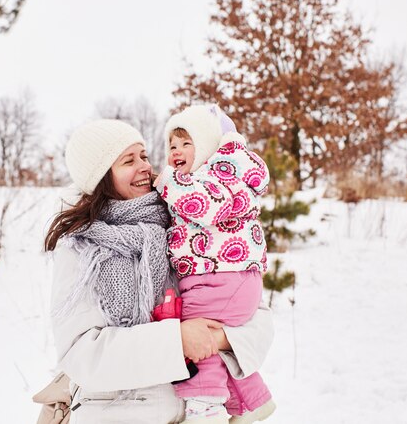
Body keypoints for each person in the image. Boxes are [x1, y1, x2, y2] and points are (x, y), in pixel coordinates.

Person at [44, 119, 274, 424]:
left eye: (143, 156)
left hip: (200, 413)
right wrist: (177, 340)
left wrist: (219, 340)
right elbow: (81, 355)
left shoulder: (185, 222)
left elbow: (257, 318)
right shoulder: (81, 246)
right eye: (129, 161)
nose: (144, 166)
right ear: (100, 177)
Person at [154, 104, 276, 423]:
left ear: (206, 146)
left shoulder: (219, 176)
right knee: (211, 341)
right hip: (221, 280)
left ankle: (204, 411)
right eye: (171, 145)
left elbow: (206, 208)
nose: (176, 152)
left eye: (186, 143)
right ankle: (252, 401)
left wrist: (168, 182)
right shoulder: (205, 177)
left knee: (195, 340)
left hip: (224, 279)